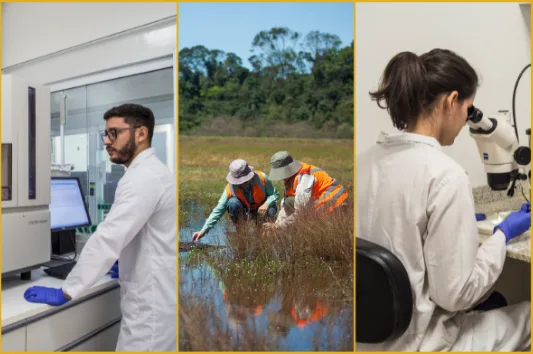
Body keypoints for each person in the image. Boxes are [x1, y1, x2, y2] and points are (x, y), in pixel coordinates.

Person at [356, 48, 531, 351]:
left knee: (497, 301)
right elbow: (456, 295)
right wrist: (502, 236)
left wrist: (455, 226)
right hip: (424, 341)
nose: (466, 121)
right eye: (468, 109)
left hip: (371, 340)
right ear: (452, 101)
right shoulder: (445, 174)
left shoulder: (364, 160)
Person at [23, 104, 176, 351]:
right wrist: (125, 259)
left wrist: (67, 290)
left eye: (114, 133)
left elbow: (107, 238)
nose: (106, 141)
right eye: (105, 134)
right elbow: (146, 234)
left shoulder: (143, 178)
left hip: (150, 314)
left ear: (141, 134)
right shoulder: (151, 172)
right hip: (155, 301)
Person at [192, 159, 279, 242]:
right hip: (246, 213)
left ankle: (264, 231)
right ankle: (242, 232)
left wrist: (267, 203)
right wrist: (203, 231)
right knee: (232, 203)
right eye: (239, 181)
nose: (242, 183)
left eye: (245, 180)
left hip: (263, 211)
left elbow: (275, 194)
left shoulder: (262, 177)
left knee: (271, 210)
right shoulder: (230, 189)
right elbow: (218, 210)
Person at [263, 151, 348, 230]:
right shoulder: (290, 178)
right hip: (319, 199)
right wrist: (275, 225)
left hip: (336, 201)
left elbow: (300, 213)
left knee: (310, 224)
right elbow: (286, 206)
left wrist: (278, 226)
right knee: (289, 201)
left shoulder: (304, 178)